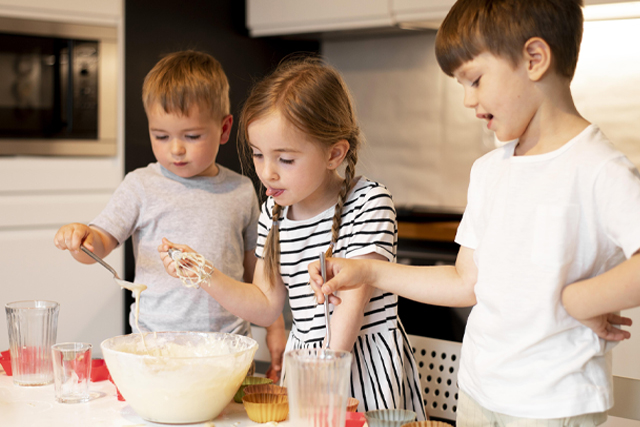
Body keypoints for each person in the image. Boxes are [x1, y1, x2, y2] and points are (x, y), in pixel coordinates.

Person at [309, 0, 640, 425]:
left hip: (552, 406)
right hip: (477, 394)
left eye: (475, 80)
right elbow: (466, 282)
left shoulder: (598, 169)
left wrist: (581, 298)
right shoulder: (489, 171)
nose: (468, 100)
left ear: (534, 59)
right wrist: (368, 272)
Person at [159, 56, 426, 418]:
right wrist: (202, 272)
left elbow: (344, 324)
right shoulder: (275, 210)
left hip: (359, 374)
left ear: (334, 153)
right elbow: (265, 304)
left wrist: (313, 390)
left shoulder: (368, 202)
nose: (267, 173)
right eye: (257, 155)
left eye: (285, 160)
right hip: (306, 370)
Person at [53, 50, 286, 381]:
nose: (175, 149)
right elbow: (100, 244)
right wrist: (80, 239)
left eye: (191, 136)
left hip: (228, 350)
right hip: (154, 349)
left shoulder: (242, 191)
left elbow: (256, 273)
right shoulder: (141, 186)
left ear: (224, 128)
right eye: (160, 136)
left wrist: (275, 325)